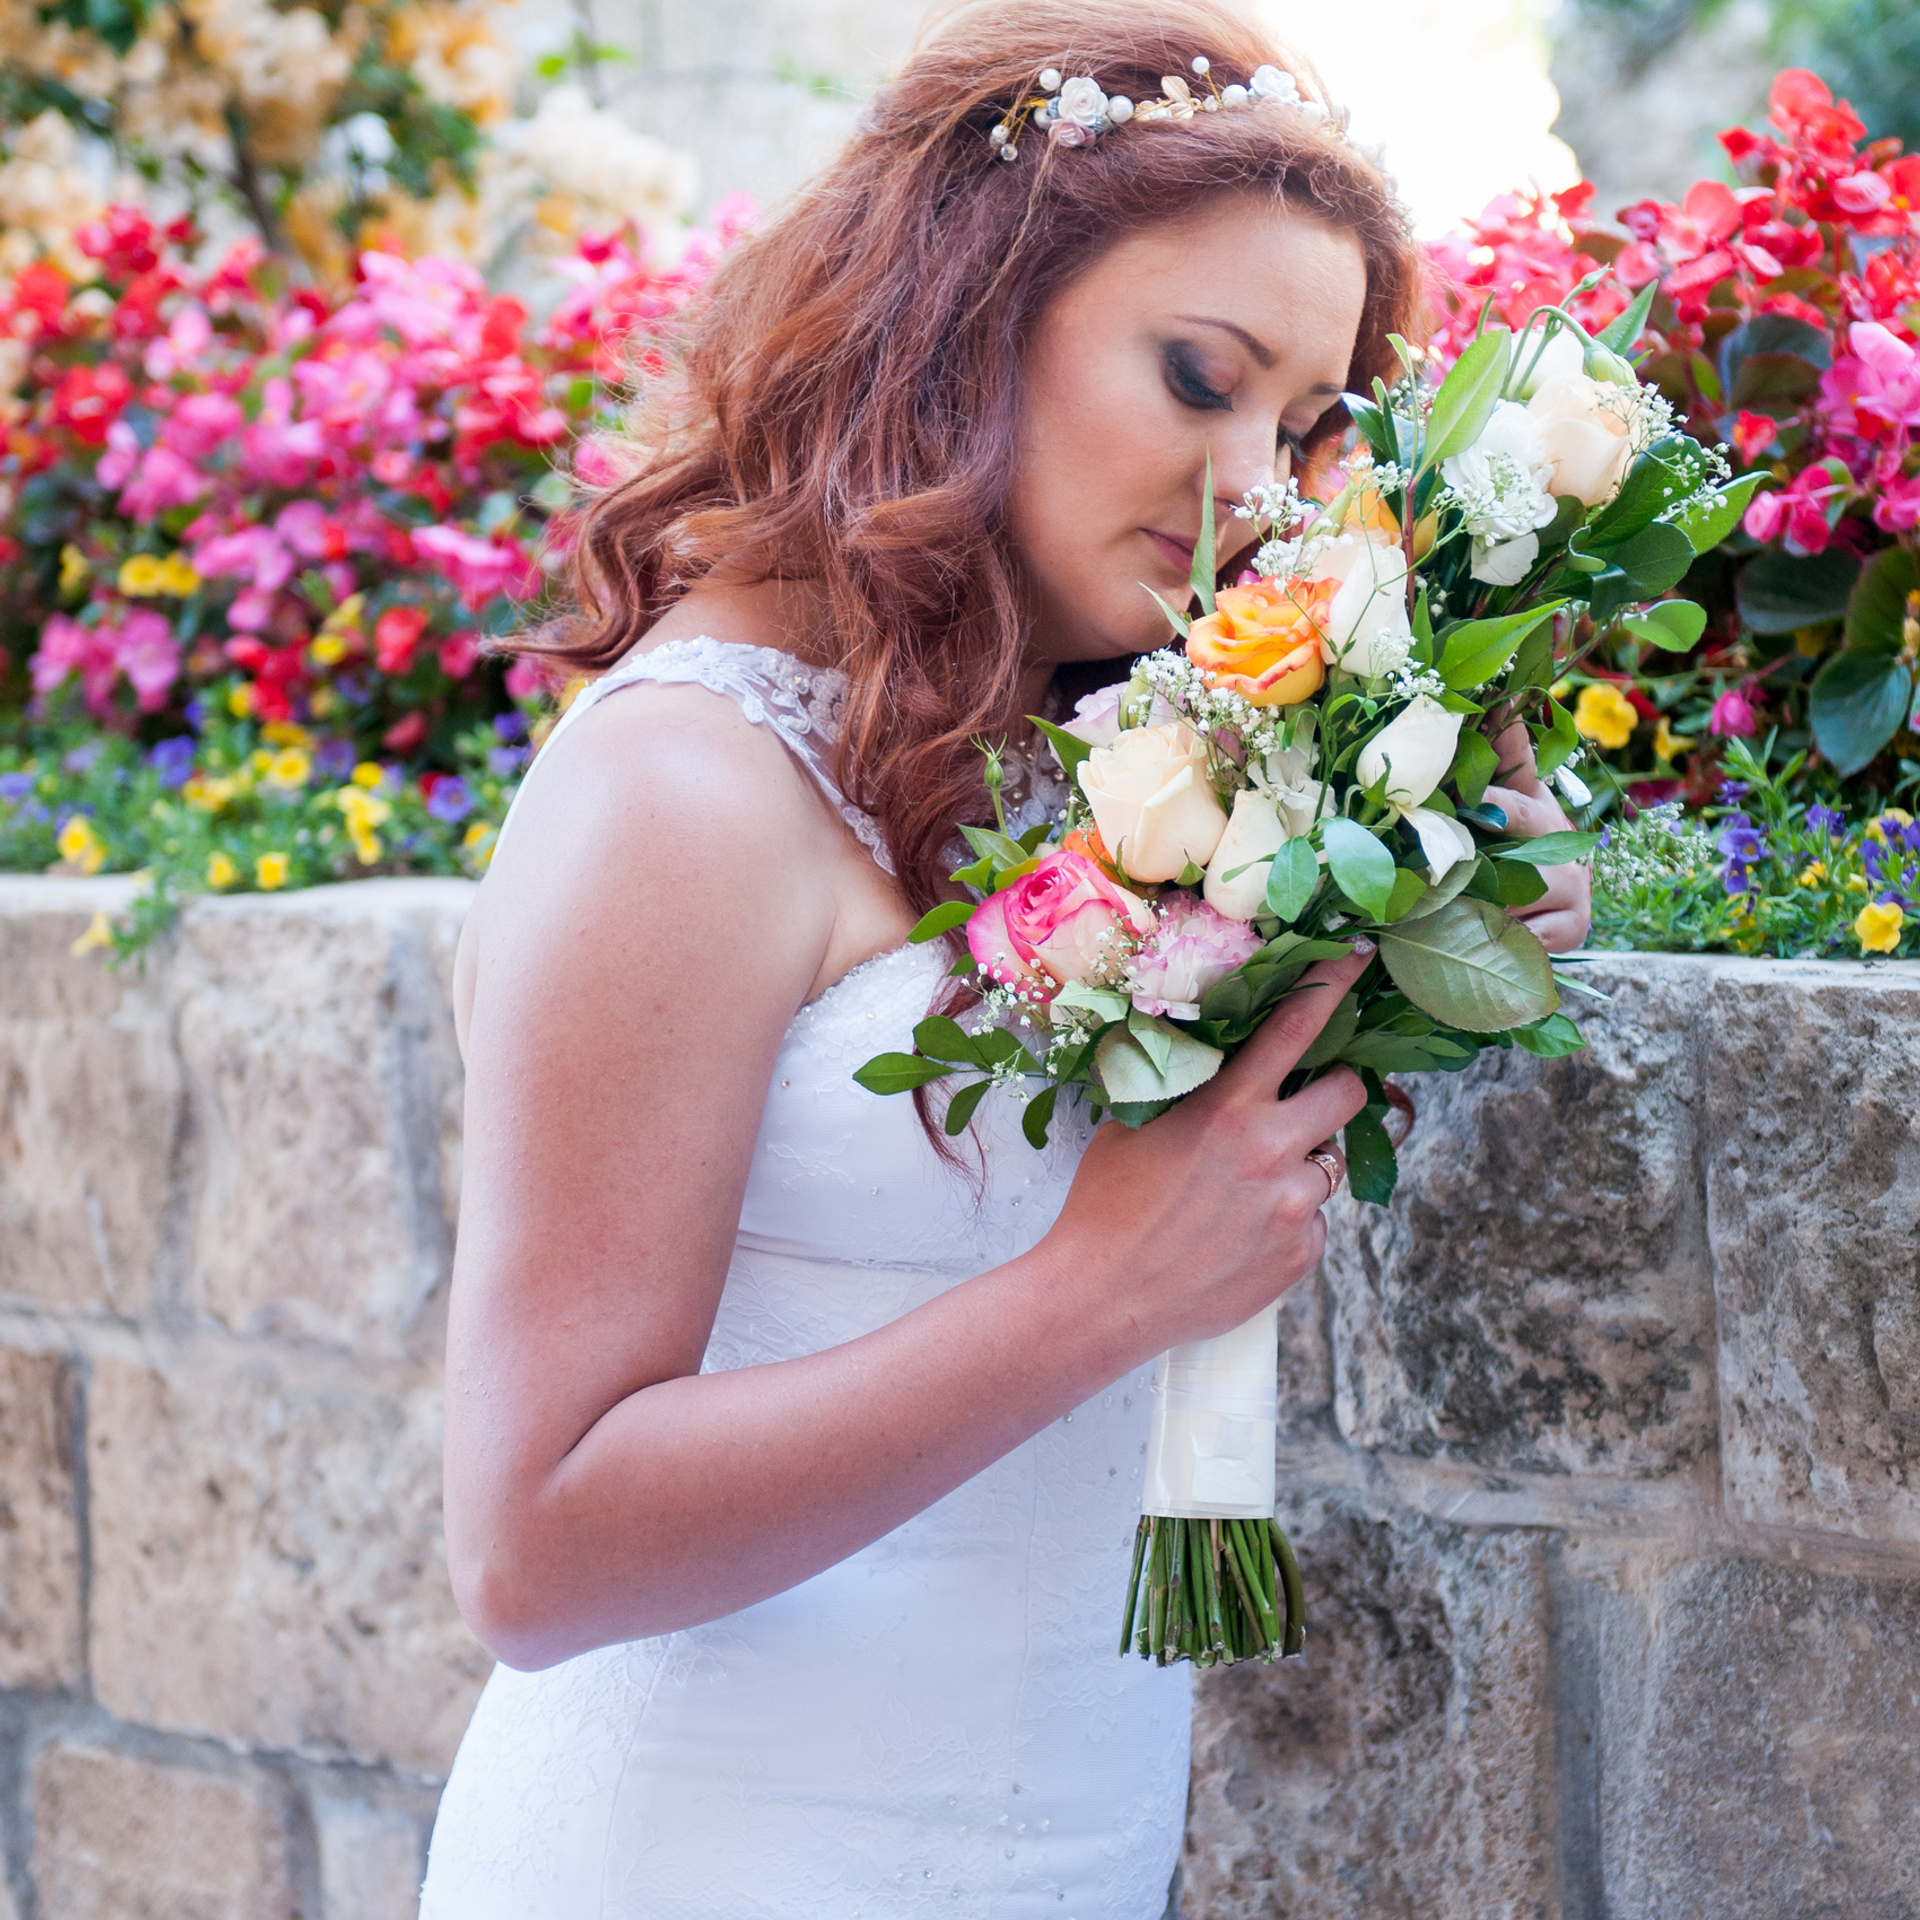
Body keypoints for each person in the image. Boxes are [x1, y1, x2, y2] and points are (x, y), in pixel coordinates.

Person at [420, 3, 1592, 1914]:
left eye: (1305, 428)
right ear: (966, 306)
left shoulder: (1069, 755)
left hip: (1062, 1846)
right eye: (1200, 375)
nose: (1257, 483)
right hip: (715, 1855)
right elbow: (531, 1553)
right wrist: (1097, 1298)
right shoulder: (684, 789)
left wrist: (1454, 892)